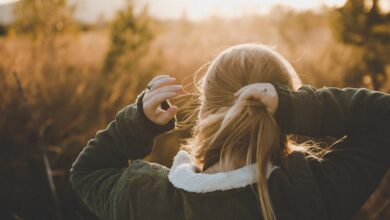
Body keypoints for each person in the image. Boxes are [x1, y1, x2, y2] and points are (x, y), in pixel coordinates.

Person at [70, 44, 390, 220]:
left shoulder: (146, 198)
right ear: (279, 116)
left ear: (206, 110)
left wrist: (138, 122)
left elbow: (87, 171)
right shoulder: (311, 193)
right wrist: (294, 106)